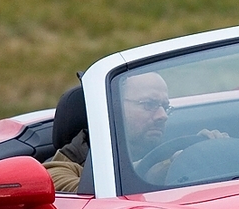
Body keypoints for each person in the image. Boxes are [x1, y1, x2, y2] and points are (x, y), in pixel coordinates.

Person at [44, 72, 225, 192]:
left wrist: (213, 150)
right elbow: (98, 198)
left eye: (165, 106)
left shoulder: (170, 146)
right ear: (112, 107)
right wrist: (168, 167)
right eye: (149, 104)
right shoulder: (59, 171)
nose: (163, 116)